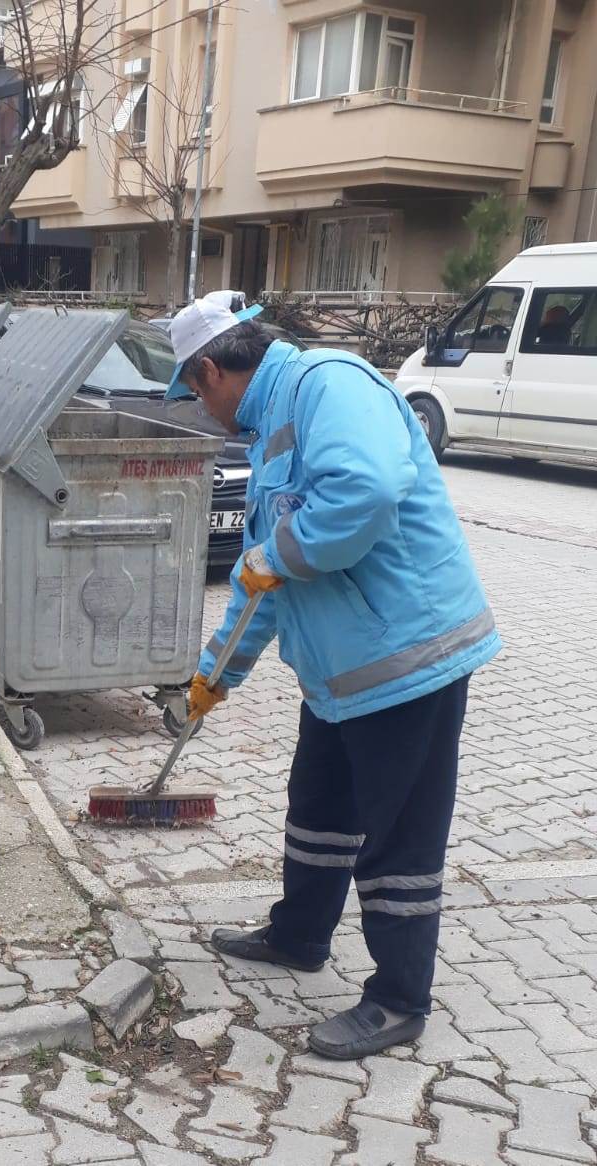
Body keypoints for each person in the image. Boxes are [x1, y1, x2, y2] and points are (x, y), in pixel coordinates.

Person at [167, 291, 500, 1060]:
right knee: (318, 806)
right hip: (339, 673)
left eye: (193, 390)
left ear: (213, 371)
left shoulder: (329, 384)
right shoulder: (270, 434)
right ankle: (299, 935)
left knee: (398, 835)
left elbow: (366, 494)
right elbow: (265, 586)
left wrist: (274, 556)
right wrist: (212, 679)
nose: (200, 408)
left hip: (407, 661)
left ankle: (398, 999)